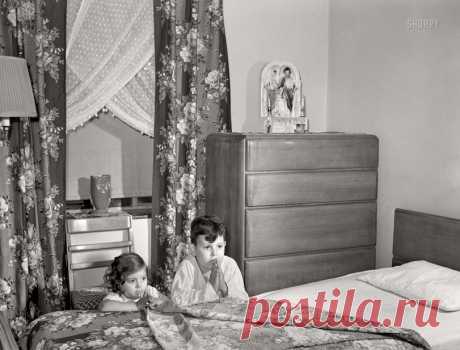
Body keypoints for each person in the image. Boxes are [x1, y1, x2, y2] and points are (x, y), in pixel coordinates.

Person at [171, 215, 248, 306]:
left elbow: (244, 300)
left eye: (219, 246)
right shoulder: (188, 266)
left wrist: (225, 289)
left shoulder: (230, 265)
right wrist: (210, 289)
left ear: (225, 245)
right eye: (207, 247)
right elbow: (177, 299)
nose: (214, 253)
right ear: (193, 249)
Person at [99, 252, 167, 311]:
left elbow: (169, 304)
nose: (139, 285)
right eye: (132, 281)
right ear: (119, 283)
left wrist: (158, 301)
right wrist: (137, 306)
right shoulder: (117, 296)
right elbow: (103, 307)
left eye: (143, 278)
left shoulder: (149, 291)